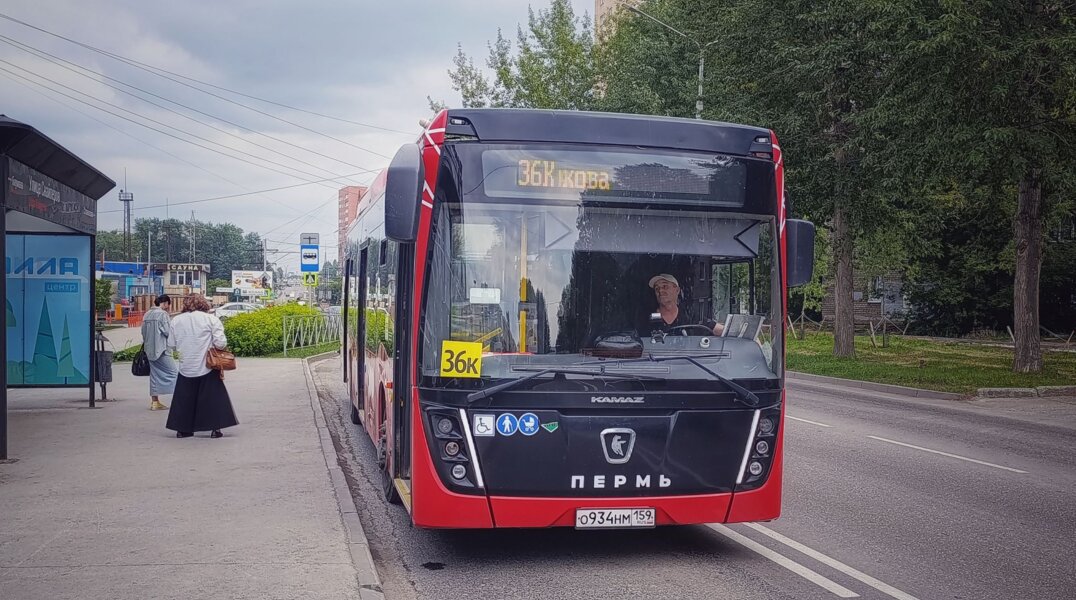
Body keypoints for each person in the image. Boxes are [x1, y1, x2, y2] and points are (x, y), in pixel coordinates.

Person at [165, 295, 238, 439]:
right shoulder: (211, 319)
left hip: (186, 365)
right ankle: (215, 428)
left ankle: (183, 430)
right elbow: (221, 343)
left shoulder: (176, 320)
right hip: (207, 364)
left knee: (184, 398)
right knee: (213, 397)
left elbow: (171, 344)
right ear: (204, 304)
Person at [645, 273, 724, 336]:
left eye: (665, 286)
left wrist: (729, 331)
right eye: (657, 288)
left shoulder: (690, 316)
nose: (660, 291)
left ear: (677, 290)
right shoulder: (647, 319)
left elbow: (717, 329)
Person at [141, 294, 177, 410]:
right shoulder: (162, 314)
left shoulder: (147, 314)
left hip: (149, 350)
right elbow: (167, 332)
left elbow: (143, 332)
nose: (168, 307)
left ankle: (155, 402)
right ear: (165, 303)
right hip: (162, 350)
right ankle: (180, 400)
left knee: (154, 375)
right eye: (168, 305)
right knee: (174, 373)